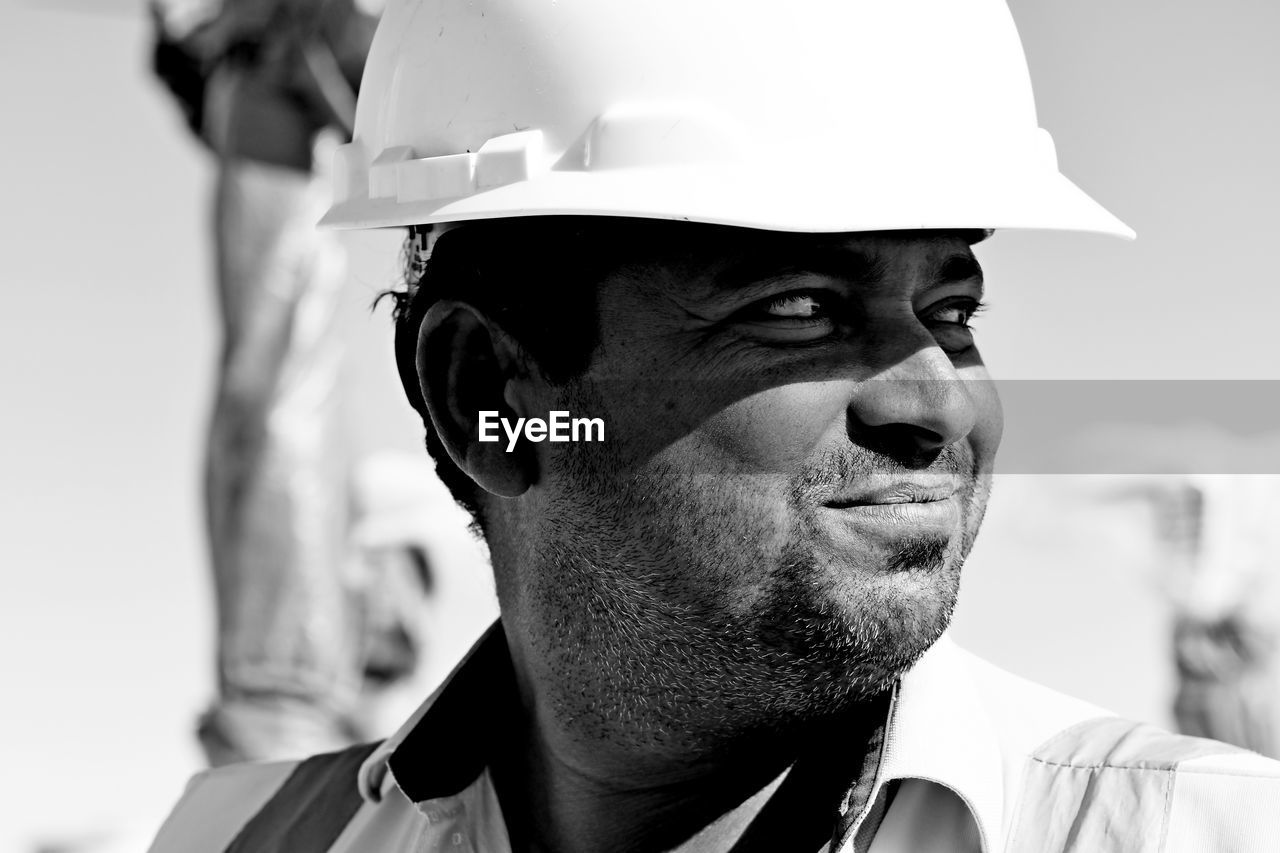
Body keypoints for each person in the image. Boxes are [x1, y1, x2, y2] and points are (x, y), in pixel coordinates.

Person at [148, 0, 1280, 850]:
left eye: (952, 310)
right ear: (488, 396)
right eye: (797, 310)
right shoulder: (241, 839)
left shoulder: (1194, 833)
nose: (936, 402)